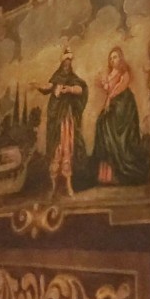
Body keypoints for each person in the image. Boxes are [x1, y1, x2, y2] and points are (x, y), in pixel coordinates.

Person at [31, 48, 88, 197]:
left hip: (66, 119)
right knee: (55, 151)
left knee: (67, 149)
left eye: (69, 64)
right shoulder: (56, 77)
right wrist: (37, 85)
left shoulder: (72, 79)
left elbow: (80, 89)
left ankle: (69, 186)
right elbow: (48, 87)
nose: (67, 66)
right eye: (65, 63)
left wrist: (68, 89)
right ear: (62, 63)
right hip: (55, 119)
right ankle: (53, 187)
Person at [92, 47, 150, 186]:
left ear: (121, 58)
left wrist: (109, 99)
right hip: (112, 104)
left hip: (124, 106)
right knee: (102, 125)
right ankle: (107, 175)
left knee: (113, 130)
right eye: (111, 58)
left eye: (116, 57)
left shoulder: (124, 72)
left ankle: (124, 169)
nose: (113, 60)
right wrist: (103, 83)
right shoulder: (111, 73)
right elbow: (108, 88)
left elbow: (120, 87)